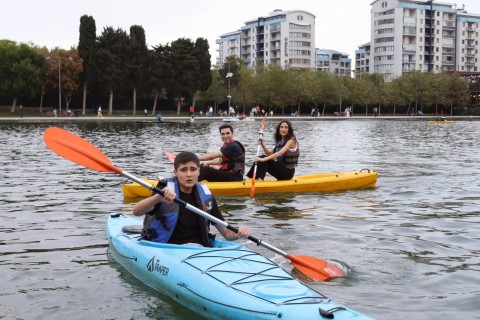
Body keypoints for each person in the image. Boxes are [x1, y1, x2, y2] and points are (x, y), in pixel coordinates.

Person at [132, 151, 250, 246]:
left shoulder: (206, 196)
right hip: (168, 249)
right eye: (183, 170)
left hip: (198, 251)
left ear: (199, 171)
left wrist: (239, 233)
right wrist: (158, 197)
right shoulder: (164, 189)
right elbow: (137, 211)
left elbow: (226, 234)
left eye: (193, 169)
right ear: (175, 172)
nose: (189, 174)